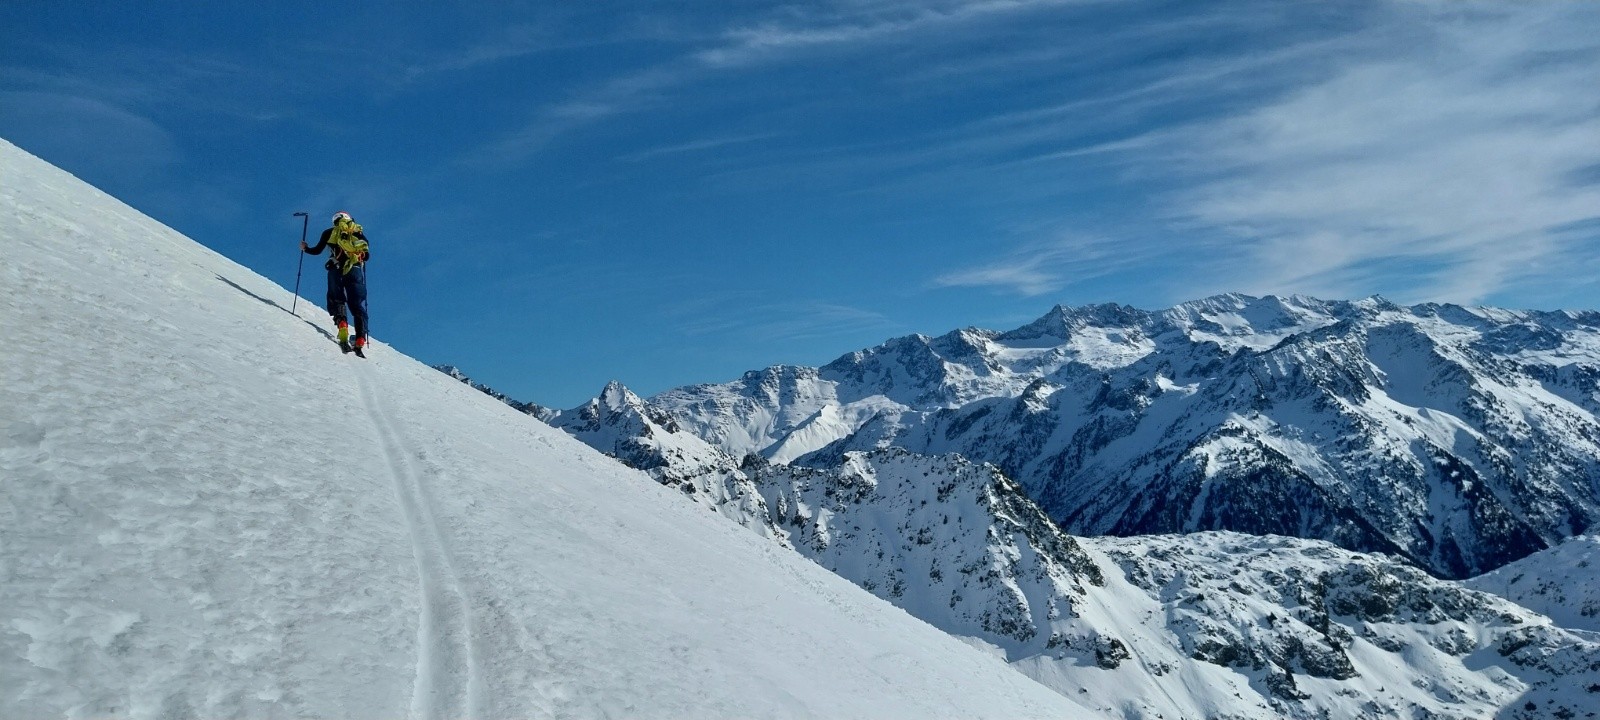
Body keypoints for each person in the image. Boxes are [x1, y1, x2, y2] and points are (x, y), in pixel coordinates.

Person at [301, 211, 371, 356]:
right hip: (355, 270)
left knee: (336, 298)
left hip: (336, 268)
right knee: (357, 304)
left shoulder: (329, 233)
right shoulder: (358, 232)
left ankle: (342, 325)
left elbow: (317, 250)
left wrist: (305, 248)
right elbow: (367, 256)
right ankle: (359, 339)